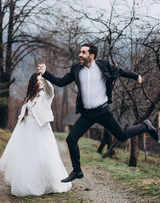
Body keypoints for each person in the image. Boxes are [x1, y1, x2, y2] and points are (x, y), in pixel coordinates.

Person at [38, 43, 159, 183]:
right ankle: (77, 171)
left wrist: (136, 76)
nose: (80, 55)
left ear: (92, 55)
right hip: (87, 114)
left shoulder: (104, 66)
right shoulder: (76, 69)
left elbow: (120, 71)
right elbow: (60, 82)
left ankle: (146, 125)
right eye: (80, 52)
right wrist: (45, 72)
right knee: (71, 139)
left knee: (122, 136)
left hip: (102, 111)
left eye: (83, 52)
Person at [0, 72, 71, 196]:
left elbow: (50, 88)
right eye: (38, 80)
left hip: (41, 129)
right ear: (33, 83)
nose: (40, 82)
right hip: (27, 129)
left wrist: (45, 75)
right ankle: (28, 183)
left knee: (44, 156)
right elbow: (25, 113)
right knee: (29, 157)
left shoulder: (46, 95)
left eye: (41, 80)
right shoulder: (29, 97)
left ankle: (49, 183)